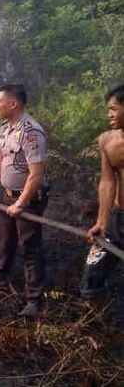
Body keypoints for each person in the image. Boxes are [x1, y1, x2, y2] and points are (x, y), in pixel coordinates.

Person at [0, 84, 49, 317]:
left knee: (30, 247)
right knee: (4, 240)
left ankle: (34, 298)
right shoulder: (5, 129)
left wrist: (21, 203)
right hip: (7, 196)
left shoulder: (31, 131)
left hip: (29, 199)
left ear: (13, 104)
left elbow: (36, 174)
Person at [80, 84, 124, 305]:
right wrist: (101, 221)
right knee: (91, 278)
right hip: (119, 220)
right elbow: (107, 181)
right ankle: (97, 326)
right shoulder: (107, 140)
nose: (109, 115)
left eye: (114, 109)